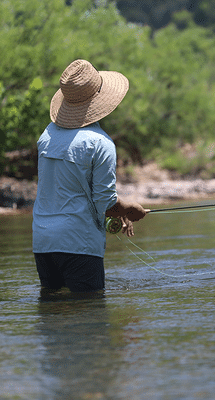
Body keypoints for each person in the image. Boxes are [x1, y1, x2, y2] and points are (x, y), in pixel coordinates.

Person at [32, 59, 148, 293]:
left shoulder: (46, 136)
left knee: (52, 317)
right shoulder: (100, 143)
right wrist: (129, 209)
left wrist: (117, 211)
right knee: (89, 313)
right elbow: (104, 202)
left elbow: (68, 191)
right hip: (79, 243)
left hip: (43, 241)